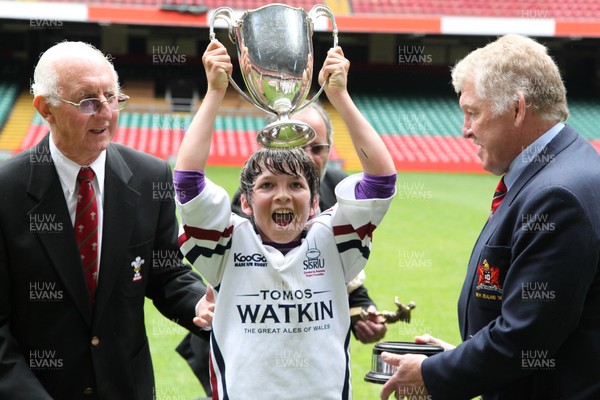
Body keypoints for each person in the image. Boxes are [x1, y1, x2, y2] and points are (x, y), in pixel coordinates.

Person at [380, 34, 600, 400]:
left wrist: (434, 372)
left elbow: (526, 339)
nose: (465, 130)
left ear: (517, 109)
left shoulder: (556, 193)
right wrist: (457, 358)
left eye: (473, 113)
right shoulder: (560, 170)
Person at [175, 40, 396, 399]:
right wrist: (215, 92)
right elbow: (187, 181)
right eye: (267, 185)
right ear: (244, 202)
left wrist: (340, 96)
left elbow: (382, 181)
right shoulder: (226, 243)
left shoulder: (333, 239)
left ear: (314, 204)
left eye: (296, 184)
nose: (281, 195)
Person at [0, 41, 208, 399]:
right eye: (87, 101)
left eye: (112, 97)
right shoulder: (6, 192)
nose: (105, 113)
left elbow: (165, 272)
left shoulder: (150, 176)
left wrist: (199, 303)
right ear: (45, 108)